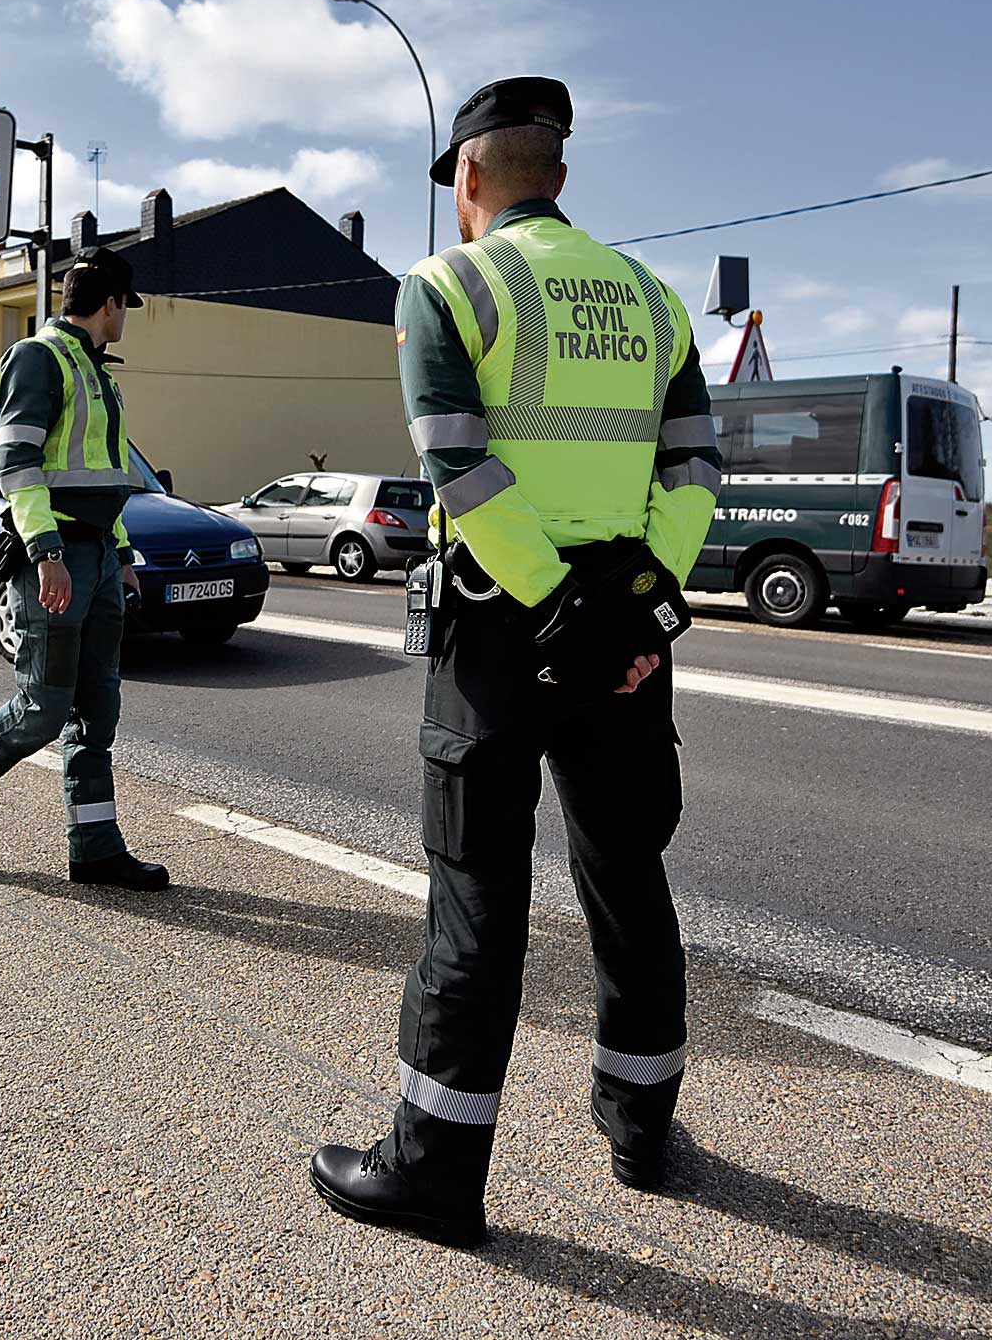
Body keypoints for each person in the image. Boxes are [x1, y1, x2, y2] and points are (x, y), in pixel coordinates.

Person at [311, 76, 723, 1245]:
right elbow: (691, 475)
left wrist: (555, 602)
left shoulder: (445, 287)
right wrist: (634, 615)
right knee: (627, 875)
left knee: (477, 894)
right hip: (627, 639)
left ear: (469, 179)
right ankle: (641, 1125)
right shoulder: (650, 301)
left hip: (503, 629)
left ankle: (434, 1170)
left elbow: (457, 467)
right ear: (559, 173)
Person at [0, 249, 170, 891]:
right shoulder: (40, 357)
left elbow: (107, 479)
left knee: (98, 713)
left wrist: (122, 559)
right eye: (126, 309)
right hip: (54, 557)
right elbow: (18, 467)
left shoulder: (99, 374)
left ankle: (95, 851)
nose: (125, 321)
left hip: (98, 558)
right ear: (110, 302)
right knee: (44, 707)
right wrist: (47, 554)